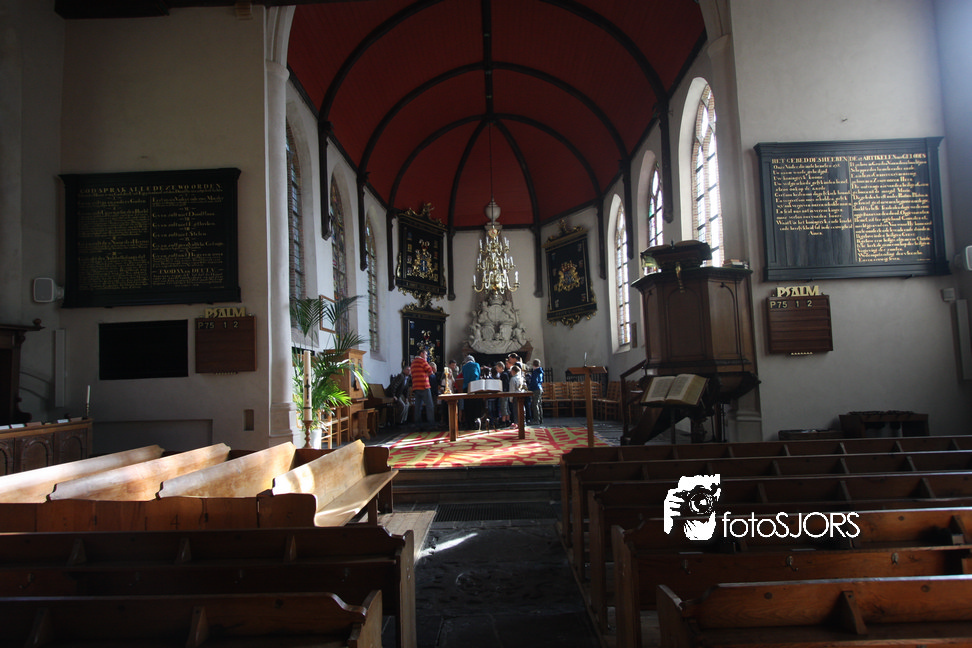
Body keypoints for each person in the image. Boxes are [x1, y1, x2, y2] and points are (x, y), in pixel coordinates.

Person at [410, 350, 435, 424]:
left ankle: (418, 424)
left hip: (416, 386)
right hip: (424, 386)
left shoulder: (413, 362)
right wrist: (427, 374)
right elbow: (430, 370)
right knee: (429, 405)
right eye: (426, 354)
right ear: (421, 354)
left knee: (418, 406)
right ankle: (431, 423)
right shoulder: (422, 361)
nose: (426, 356)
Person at [461, 354, 482, 430]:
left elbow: (464, 375)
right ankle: (475, 422)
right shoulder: (476, 365)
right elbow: (479, 374)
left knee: (467, 406)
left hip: (466, 388)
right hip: (475, 387)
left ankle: (468, 424)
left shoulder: (464, 367)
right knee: (475, 405)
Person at [526, 358, 544, 425]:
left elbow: (534, 382)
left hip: (536, 389)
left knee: (535, 404)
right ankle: (540, 419)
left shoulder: (535, 372)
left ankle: (536, 420)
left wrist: (529, 388)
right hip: (540, 388)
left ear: (533, 364)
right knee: (539, 404)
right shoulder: (540, 371)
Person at [495, 360, 510, 427]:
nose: (496, 369)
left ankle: (504, 421)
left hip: (504, 393)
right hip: (504, 393)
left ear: (501, 367)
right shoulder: (503, 374)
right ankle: (507, 420)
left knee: (504, 407)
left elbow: (505, 385)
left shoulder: (504, 375)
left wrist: (503, 393)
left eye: (497, 368)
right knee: (506, 407)